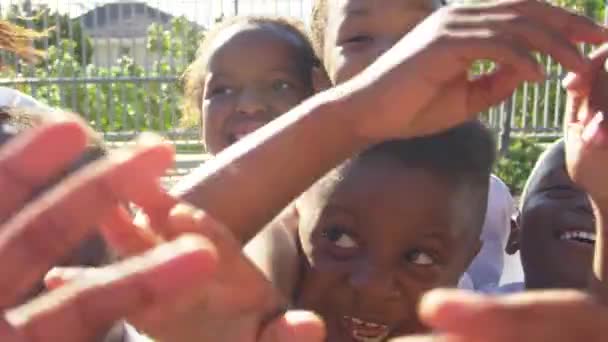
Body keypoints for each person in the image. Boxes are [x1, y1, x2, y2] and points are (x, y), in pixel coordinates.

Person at [181, 15, 323, 155]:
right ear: (201, 111)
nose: (250, 105)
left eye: (279, 85)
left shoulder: (342, 176)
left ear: (318, 93)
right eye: (223, 90)